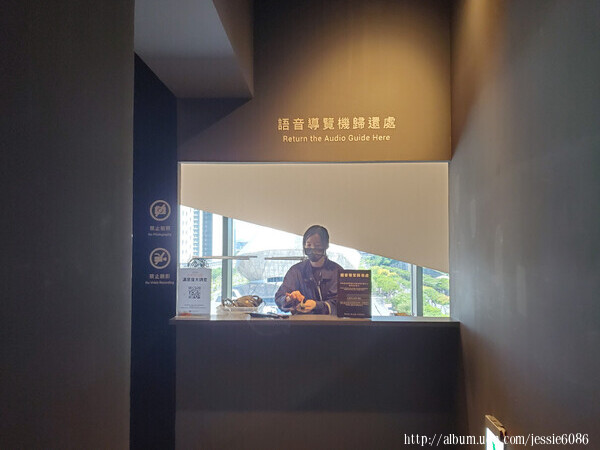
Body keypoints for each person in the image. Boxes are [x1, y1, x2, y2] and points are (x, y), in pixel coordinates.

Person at [274, 225, 343, 315]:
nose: (312, 249)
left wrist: (317, 305)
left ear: (325, 246)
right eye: (309, 245)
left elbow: (342, 303)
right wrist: (289, 298)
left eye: (317, 245)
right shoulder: (296, 271)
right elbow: (279, 297)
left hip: (330, 323)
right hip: (301, 322)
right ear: (304, 245)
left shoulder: (337, 271)